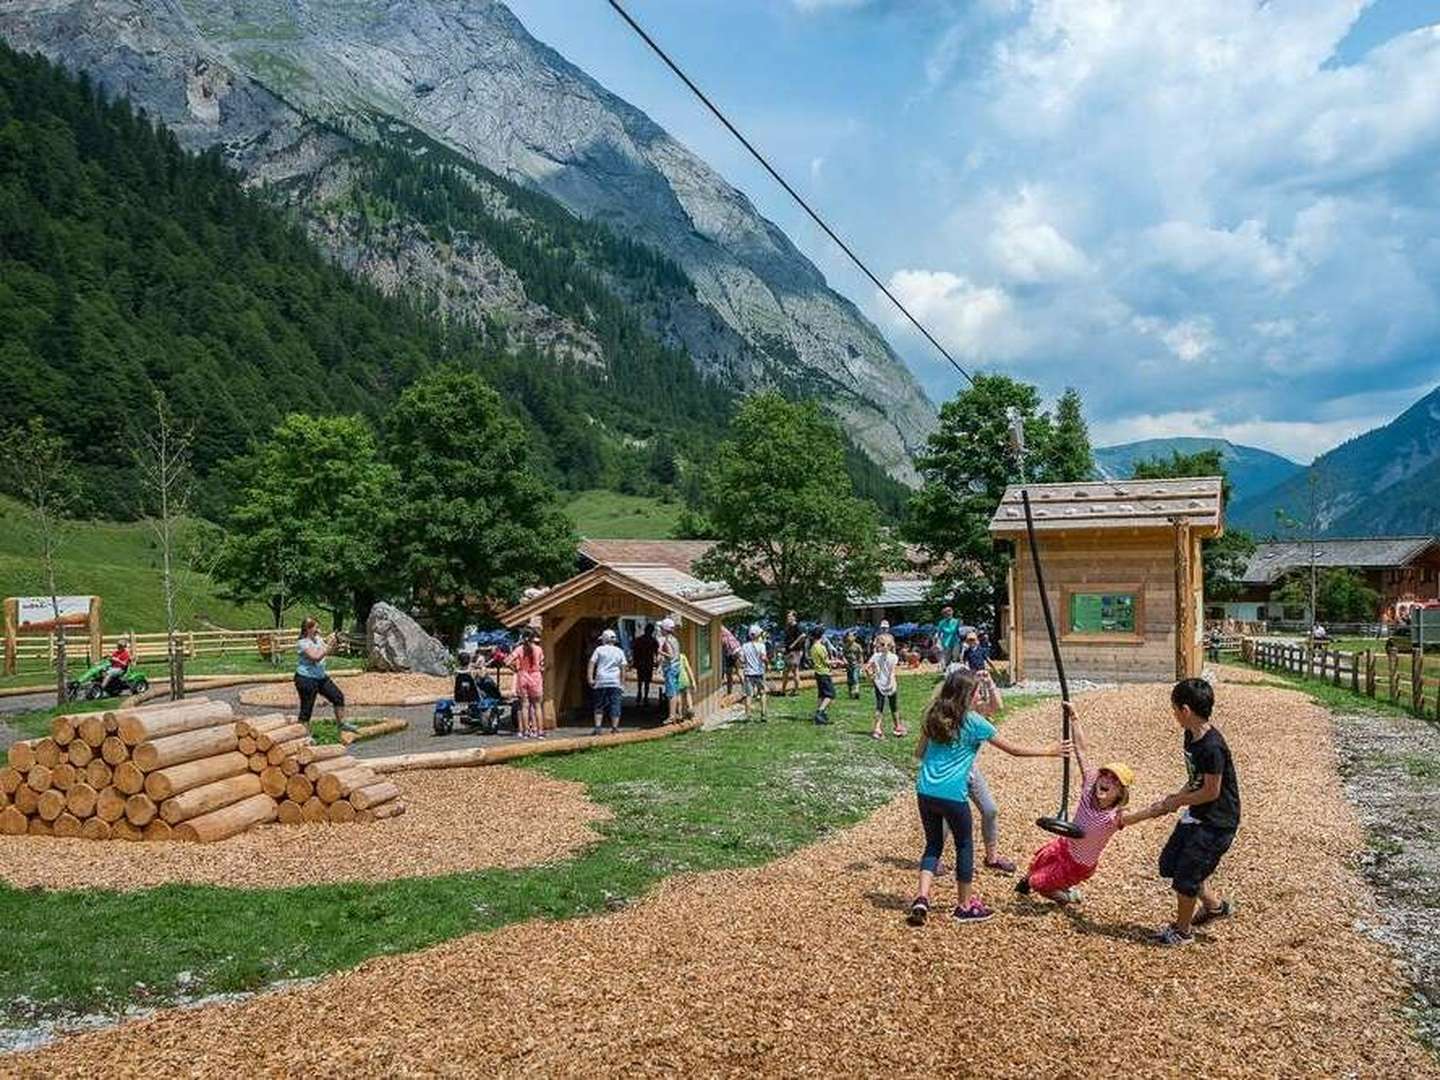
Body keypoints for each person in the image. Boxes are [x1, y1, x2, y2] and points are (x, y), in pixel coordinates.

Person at [906, 666, 1070, 926]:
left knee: (933, 845)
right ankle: (964, 906)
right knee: (964, 846)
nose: (978, 696)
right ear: (966, 695)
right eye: (975, 692)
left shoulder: (934, 715)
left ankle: (922, 898)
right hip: (952, 794)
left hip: (925, 790)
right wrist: (1048, 751)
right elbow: (1013, 750)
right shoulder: (974, 722)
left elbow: (919, 753)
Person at [1015, 701, 1161, 904]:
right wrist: (1074, 718)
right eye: (1105, 774)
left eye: (1114, 781)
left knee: (1039, 883)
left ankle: (1066, 895)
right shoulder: (1090, 784)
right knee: (1041, 857)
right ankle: (1035, 879)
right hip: (1064, 846)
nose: (1106, 779)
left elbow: (1144, 814)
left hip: (1078, 864)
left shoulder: (1114, 818)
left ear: (1120, 793)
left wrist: (1163, 807)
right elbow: (1082, 751)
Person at [1151, 678, 1242, 946]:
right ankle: (1214, 907)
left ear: (1186, 710)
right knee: (1170, 863)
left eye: (1175, 709)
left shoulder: (1212, 747)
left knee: (1186, 877)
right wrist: (1178, 796)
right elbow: (1196, 779)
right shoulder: (1190, 736)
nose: (1174, 714)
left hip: (1217, 821)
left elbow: (1211, 791)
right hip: (1198, 813)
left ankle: (1182, 931)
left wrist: (1179, 802)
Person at [295, 616, 355, 733]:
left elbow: (328, 651)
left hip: (320, 677)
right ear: (308, 629)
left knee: (338, 697)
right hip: (306, 679)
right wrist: (328, 646)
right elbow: (316, 657)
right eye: (316, 627)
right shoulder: (303, 643)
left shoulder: (318, 638)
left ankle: (341, 724)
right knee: (307, 708)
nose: (318, 629)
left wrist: (334, 642)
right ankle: (303, 735)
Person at [587, 628, 628, 736]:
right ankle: (614, 728)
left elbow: (591, 663)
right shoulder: (620, 651)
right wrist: (622, 683)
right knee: (615, 704)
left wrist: (590, 678)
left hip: (601, 681)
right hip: (615, 682)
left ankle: (598, 727)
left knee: (599, 705)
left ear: (604, 639)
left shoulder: (599, 650)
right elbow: (623, 668)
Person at [865, 634, 905, 739]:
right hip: (891, 685)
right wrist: (890, 681)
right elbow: (892, 673)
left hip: (879, 684)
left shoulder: (875, 656)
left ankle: (877, 729)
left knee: (879, 707)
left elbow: (866, 668)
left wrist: (871, 677)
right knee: (894, 706)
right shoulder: (894, 657)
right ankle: (898, 727)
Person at [509, 627, 545, 739]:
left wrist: (514, 669)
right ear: (534, 637)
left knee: (524, 705)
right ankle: (539, 731)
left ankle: (525, 732)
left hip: (523, 675)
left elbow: (507, 660)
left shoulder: (519, 649)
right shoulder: (538, 649)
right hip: (535, 676)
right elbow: (542, 663)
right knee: (537, 706)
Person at [739, 624, 769, 722]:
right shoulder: (761, 646)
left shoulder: (744, 646)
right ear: (757, 635)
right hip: (759, 672)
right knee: (762, 693)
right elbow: (763, 658)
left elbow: (742, 660)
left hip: (748, 673)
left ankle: (748, 716)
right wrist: (768, 663)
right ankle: (763, 715)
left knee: (748, 695)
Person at [657, 618, 685, 723]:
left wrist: (660, 651)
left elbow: (670, 655)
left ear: (665, 629)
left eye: (661, 628)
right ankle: (679, 713)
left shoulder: (667, 640)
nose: (660, 630)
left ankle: (671, 715)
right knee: (677, 691)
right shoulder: (675, 639)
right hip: (677, 666)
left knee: (671, 692)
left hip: (671, 667)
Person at [808, 626, 835, 725]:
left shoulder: (813, 647)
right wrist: (837, 662)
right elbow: (826, 661)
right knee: (830, 695)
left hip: (817, 672)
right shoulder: (821, 647)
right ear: (821, 636)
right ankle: (820, 712)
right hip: (824, 673)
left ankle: (820, 713)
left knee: (821, 694)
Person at [632, 623, 659, 708]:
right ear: (652, 631)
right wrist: (656, 663)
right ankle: (645, 697)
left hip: (640, 662)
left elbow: (634, 651)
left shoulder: (639, 639)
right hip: (648, 662)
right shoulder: (653, 641)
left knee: (640, 680)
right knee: (647, 681)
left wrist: (634, 662)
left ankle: (639, 694)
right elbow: (656, 653)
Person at [780, 611, 805, 697]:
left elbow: (802, 635)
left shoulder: (798, 626)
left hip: (795, 652)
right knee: (788, 671)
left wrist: (793, 644)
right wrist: (784, 646)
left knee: (793, 671)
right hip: (788, 651)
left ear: (794, 617)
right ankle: (785, 690)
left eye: (790, 617)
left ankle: (794, 690)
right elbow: (786, 639)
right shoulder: (788, 627)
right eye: (787, 617)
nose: (788, 618)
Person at [720, 623, 742, 696]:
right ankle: (729, 692)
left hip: (734, 652)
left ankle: (746, 690)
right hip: (731, 652)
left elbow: (723, 642)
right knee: (729, 673)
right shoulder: (722, 629)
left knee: (737, 672)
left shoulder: (721, 630)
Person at [842, 631, 864, 700]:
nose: (850, 638)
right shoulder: (845, 646)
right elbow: (843, 655)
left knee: (855, 678)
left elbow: (860, 656)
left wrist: (861, 665)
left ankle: (856, 691)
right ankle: (850, 693)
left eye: (852, 636)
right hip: (848, 665)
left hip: (856, 664)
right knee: (849, 680)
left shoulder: (857, 646)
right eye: (849, 636)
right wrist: (844, 660)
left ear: (854, 638)